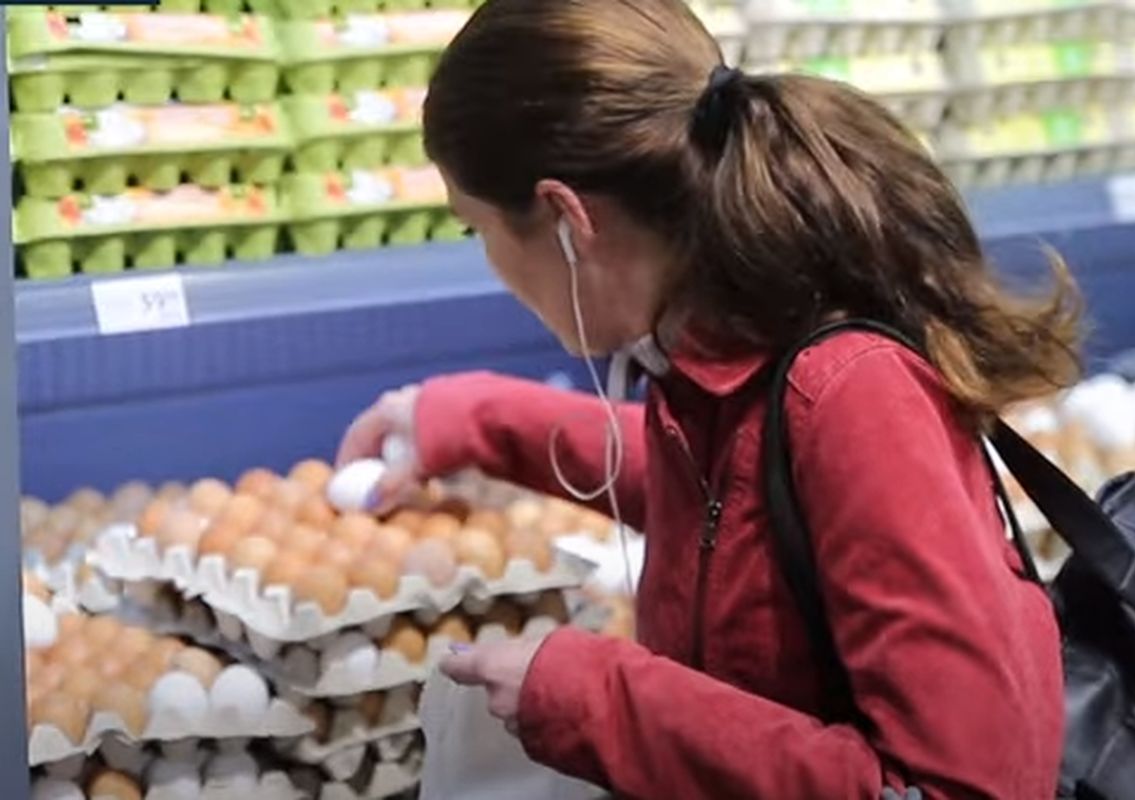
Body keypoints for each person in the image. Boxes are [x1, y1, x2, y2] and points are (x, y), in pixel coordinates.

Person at [336, 0, 1082, 796]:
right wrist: (474, 421)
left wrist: (594, 701)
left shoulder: (853, 396)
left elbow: (960, 790)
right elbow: (729, 507)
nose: (486, 260)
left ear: (565, 218)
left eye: (473, 228)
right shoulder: (718, 353)